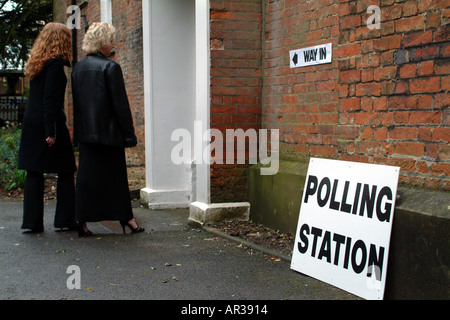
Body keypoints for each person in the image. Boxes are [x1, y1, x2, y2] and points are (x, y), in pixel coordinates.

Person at [72, 22, 144, 237]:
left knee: (86, 178)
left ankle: (82, 221)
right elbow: (120, 105)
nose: (113, 44)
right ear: (103, 43)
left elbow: (77, 104)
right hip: (109, 134)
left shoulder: (78, 68)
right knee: (116, 179)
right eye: (111, 40)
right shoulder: (110, 67)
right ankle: (127, 219)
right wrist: (129, 135)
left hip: (86, 134)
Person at [18, 23, 77, 233]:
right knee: (67, 168)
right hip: (48, 123)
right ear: (61, 40)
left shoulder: (38, 63)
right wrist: (51, 131)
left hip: (32, 122)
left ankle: (32, 223)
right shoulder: (54, 65)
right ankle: (65, 219)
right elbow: (50, 101)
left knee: (34, 171)